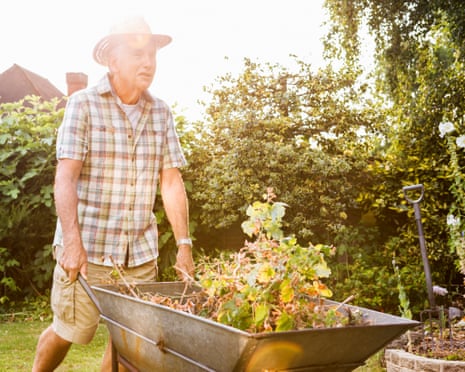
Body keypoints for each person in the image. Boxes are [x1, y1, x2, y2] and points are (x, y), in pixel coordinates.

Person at [32, 16, 195, 371]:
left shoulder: (161, 112)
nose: (148, 62)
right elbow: (65, 178)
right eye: (137, 53)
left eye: (151, 53)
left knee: (130, 347)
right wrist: (72, 242)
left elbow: (170, 181)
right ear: (113, 60)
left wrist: (184, 245)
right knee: (68, 331)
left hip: (139, 255)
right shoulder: (84, 105)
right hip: (89, 251)